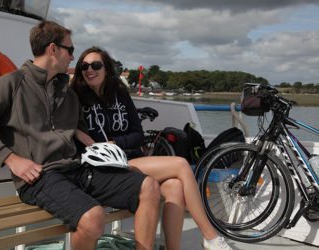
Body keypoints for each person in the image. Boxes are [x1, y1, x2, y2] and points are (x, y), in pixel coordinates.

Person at [0, 21, 161, 250]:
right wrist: (11, 159)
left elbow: (78, 129)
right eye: (70, 50)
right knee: (93, 217)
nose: (73, 58)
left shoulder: (68, 94)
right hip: (39, 176)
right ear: (53, 49)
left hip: (78, 169)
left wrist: (81, 133)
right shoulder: (12, 84)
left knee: (149, 187)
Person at [71, 46, 233, 250]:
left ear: (106, 69)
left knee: (175, 186)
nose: (89, 70)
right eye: (84, 66)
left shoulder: (120, 95)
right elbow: (63, 127)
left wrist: (115, 143)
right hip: (105, 167)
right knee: (181, 164)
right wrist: (78, 132)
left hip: (129, 158)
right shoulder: (75, 97)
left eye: (96, 65)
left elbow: (138, 136)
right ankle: (210, 237)